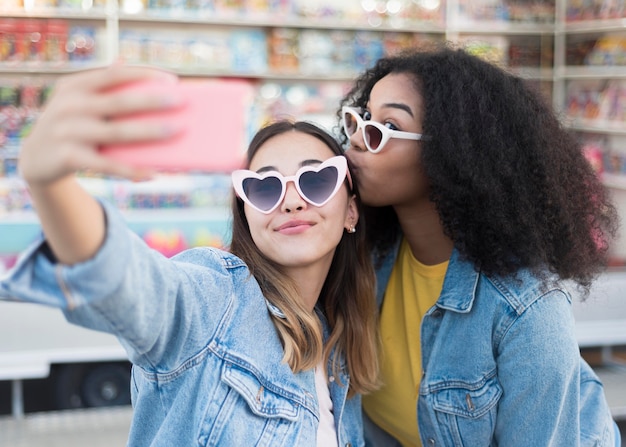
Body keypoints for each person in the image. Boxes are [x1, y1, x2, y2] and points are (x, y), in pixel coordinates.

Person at [0, 65, 380, 446]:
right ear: (246, 213)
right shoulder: (219, 299)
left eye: (317, 180)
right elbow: (134, 287)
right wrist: (51, 186)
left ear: (351, 210)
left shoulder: (338, 351)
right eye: (264, 188)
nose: (293, 202)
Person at [336, 43, 622, 447]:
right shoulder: (366, 253)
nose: (359, 140)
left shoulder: (526, 308)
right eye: (362, 118)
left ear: (453, 153)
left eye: (389, 127)